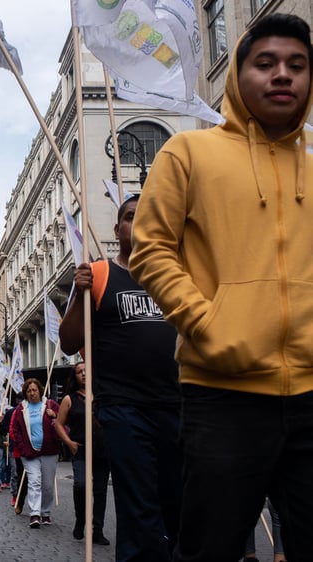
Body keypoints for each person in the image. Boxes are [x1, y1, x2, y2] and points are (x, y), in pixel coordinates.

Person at [129, 13, 313, 561]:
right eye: (266, 63)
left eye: (297, 65)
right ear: (238, 75)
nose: (282, 75)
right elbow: (151, 249)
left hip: (310, 390)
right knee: (211, 547)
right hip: (222, 393)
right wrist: (207, 324)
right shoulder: (189, 153)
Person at [61, 195, 181, 561]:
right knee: (139, 501)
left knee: (178, 500)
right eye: (130, 217)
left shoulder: (175, 276)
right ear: (118, 229)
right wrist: (80, 293)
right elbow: (69, 342)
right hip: (123, 407)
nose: (139, 223)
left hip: (178, 405)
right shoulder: (99, 273)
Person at [54, 361, 110, 545]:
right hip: (80, 449)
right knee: (81, 485)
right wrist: (68, 442)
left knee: (100, 491)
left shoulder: (102, 395)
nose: (84, 374)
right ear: (75, 376)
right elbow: (58, 424)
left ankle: (97, 530)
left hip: (102, 450)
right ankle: (80, 519)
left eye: (87, 371)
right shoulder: (70, 399)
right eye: (79, 371)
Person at [9, 378, 59, 529]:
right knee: (34, 481)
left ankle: (45, 511)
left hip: (49, 451)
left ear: (40, 390)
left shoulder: (51, 405)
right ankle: (35, 513)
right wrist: (23, 449)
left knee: (48, 485)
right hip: (30, 453)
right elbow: (16, 431)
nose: (32, 393)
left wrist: (54, 417)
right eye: (29, 391)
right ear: (25, 393)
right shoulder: (20, 409)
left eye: (34, 390)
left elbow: (63, 423)